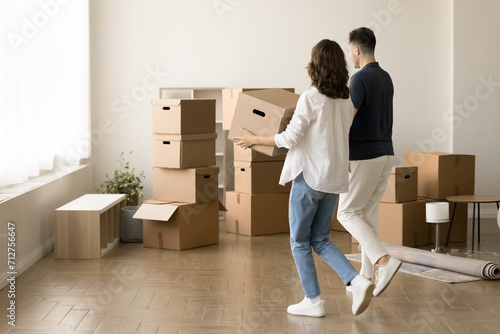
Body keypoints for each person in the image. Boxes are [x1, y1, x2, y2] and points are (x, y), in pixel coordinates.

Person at [232, 39, 373, 317]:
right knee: (320, 240)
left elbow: (288, 139)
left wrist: (253, 139)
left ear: (315, 65)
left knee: (299, 242)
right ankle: (356, 281)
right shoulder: (346, 101)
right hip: (333, 181)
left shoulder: (310, 98)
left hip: (309, 178)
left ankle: (313, 300)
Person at [337, 27, 401, 297]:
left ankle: (384, 261)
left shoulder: (359, 79)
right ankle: (365, 276)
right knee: (367, 215)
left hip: (364, 155)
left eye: (349, 51)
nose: (350, 56)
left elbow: (346, 118)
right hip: (386, 153)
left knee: (346, 213)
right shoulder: (386, 78)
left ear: (356, 50)